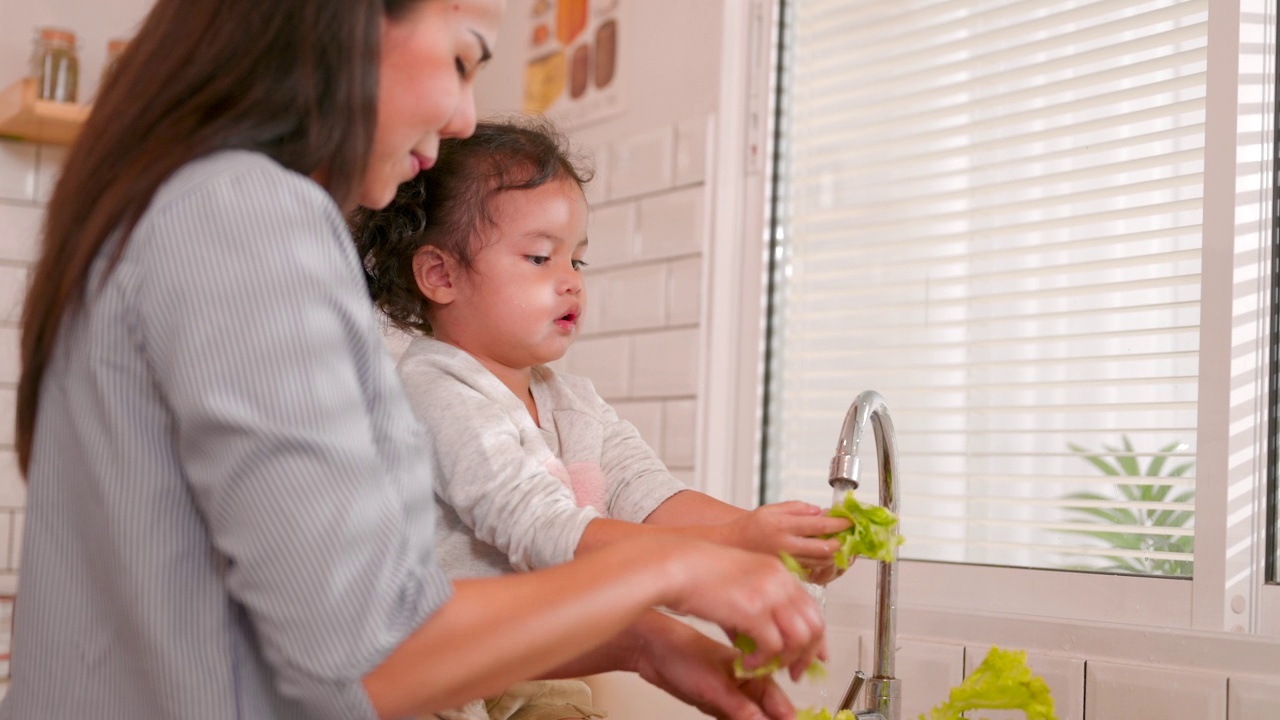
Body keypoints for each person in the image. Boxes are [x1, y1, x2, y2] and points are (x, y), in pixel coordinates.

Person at [5, 2, 827, 719]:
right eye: (465, 55)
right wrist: (670, 569)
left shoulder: (186, 207)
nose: (467, 114)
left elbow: (322, 629)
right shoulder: (250, 217)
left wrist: (646, 644)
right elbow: (373, 650)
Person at [351, 117, 852, 720]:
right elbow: (543, 531)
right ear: (441, 275)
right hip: (441, 682)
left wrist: (769, 540)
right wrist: (732, 546)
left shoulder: (572, 400)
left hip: (545, 663)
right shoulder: (434, 388)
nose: (569, 282)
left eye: (578, 262)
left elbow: (650, 495)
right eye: (539, 257)